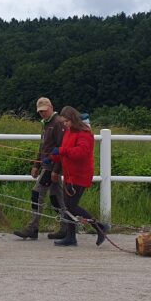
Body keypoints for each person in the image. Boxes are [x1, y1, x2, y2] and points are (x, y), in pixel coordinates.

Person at [50, 105, 108, 247]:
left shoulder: (85, 134)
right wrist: (53, 157)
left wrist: (61, 150)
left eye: (66, 122)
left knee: (72, 206)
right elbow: (66, 153)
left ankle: (99, 227)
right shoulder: (69, 132)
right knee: (68, 207)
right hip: (70, 175)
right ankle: (71, 237)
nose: (64, 124)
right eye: (63, 122)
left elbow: (81, 153)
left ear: (73, 119)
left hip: (80, 175)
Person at [15, 97, 67, 240]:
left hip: (51, 165)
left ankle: (33, 227)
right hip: (46, 164)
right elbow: (42, 146)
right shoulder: (47, 123)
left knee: (37, 193)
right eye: (40, 112)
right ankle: (66, 226)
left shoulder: (58, 123)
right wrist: (36, 164)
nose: (42, 114)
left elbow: (60, 148)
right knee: (56, 197)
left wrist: (56, 169)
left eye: (44, 110)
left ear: (51, 107)